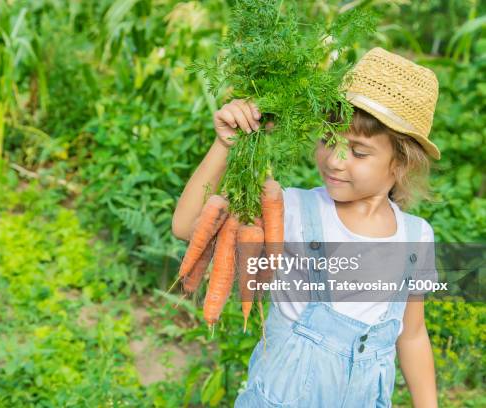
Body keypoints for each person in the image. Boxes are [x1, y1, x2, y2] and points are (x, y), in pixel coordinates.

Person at [172, 47, 440, 407]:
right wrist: (224, 144)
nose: (334, 159)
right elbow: (187, 226)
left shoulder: (416, 236)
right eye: (328, 139)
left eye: (358, 152)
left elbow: (412, 335)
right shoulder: (294, 211)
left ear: (402, 164)